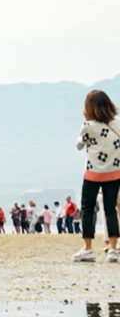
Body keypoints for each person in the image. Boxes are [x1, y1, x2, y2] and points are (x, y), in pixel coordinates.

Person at [73, 90, 120, 262]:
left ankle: (87, 248)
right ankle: (113, 249)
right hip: (115, 172)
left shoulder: (88, 126)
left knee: (87, 209)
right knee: (110, 210)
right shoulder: (118, 122)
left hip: (94, 173)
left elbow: (79, 145)